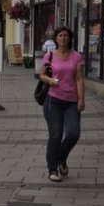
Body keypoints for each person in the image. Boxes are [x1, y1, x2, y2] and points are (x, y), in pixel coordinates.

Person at [38, 26, 85, 183]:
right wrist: (49, 80)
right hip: (53, 100)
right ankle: (52, 169)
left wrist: (81, 99)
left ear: (69, 38)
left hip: (72, 101)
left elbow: (79, 79)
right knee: (56, 135)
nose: (63, 38)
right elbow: (41, 74)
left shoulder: (76, 57)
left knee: (73, 133)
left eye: (65, 35)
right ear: (56, 39)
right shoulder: (50, 55)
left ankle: (61, 157)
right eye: (60, 35)